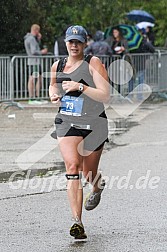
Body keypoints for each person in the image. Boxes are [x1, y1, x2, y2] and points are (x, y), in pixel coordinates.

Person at [49, 25, 109, 239]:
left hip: (94, 124)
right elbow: (53, 87)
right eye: (71, 41)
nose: (74, 45)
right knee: (73, 166)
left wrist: (81, 87)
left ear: (85, 43)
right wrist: (54, 95)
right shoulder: (58, 65)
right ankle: (77, 222)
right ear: (66, 43)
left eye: (78, 41)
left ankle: (98, 186)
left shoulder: (93, 63)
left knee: (88, 173)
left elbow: (105, 95)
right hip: (67, 122)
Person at [24, 24, 48, 104]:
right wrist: (42, 52)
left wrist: (38, 39)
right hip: (34, 61)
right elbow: (34, 51)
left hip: (33, 61)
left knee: (37, 78)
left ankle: (37, 97)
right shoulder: (31, 39)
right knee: (33, 79)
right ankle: (33, 98)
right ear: (36, 30)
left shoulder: (30, 38)